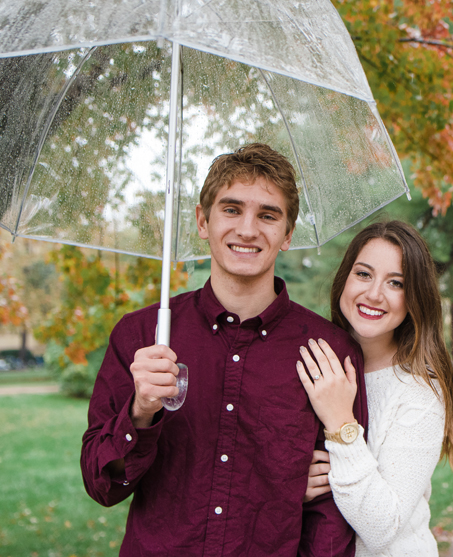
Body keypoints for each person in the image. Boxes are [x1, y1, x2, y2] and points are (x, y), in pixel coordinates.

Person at [80, 143, 367, 556]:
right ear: (203, 221)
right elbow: (101, 485)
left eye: (268, 215)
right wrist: (140, 412)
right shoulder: (142, 335)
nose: (248, 229)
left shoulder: (328, 352)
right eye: (231, 209)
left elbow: (332, 511)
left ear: (287, 235)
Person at [295, 220, 453, 556]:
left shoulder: (419, 392)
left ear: (415, 297)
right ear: (345, 279)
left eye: (396, 283)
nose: (374, 294)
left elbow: (382, 526)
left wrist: (341, 423)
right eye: (364, 274)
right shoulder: (316, 363)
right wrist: (292, 483)